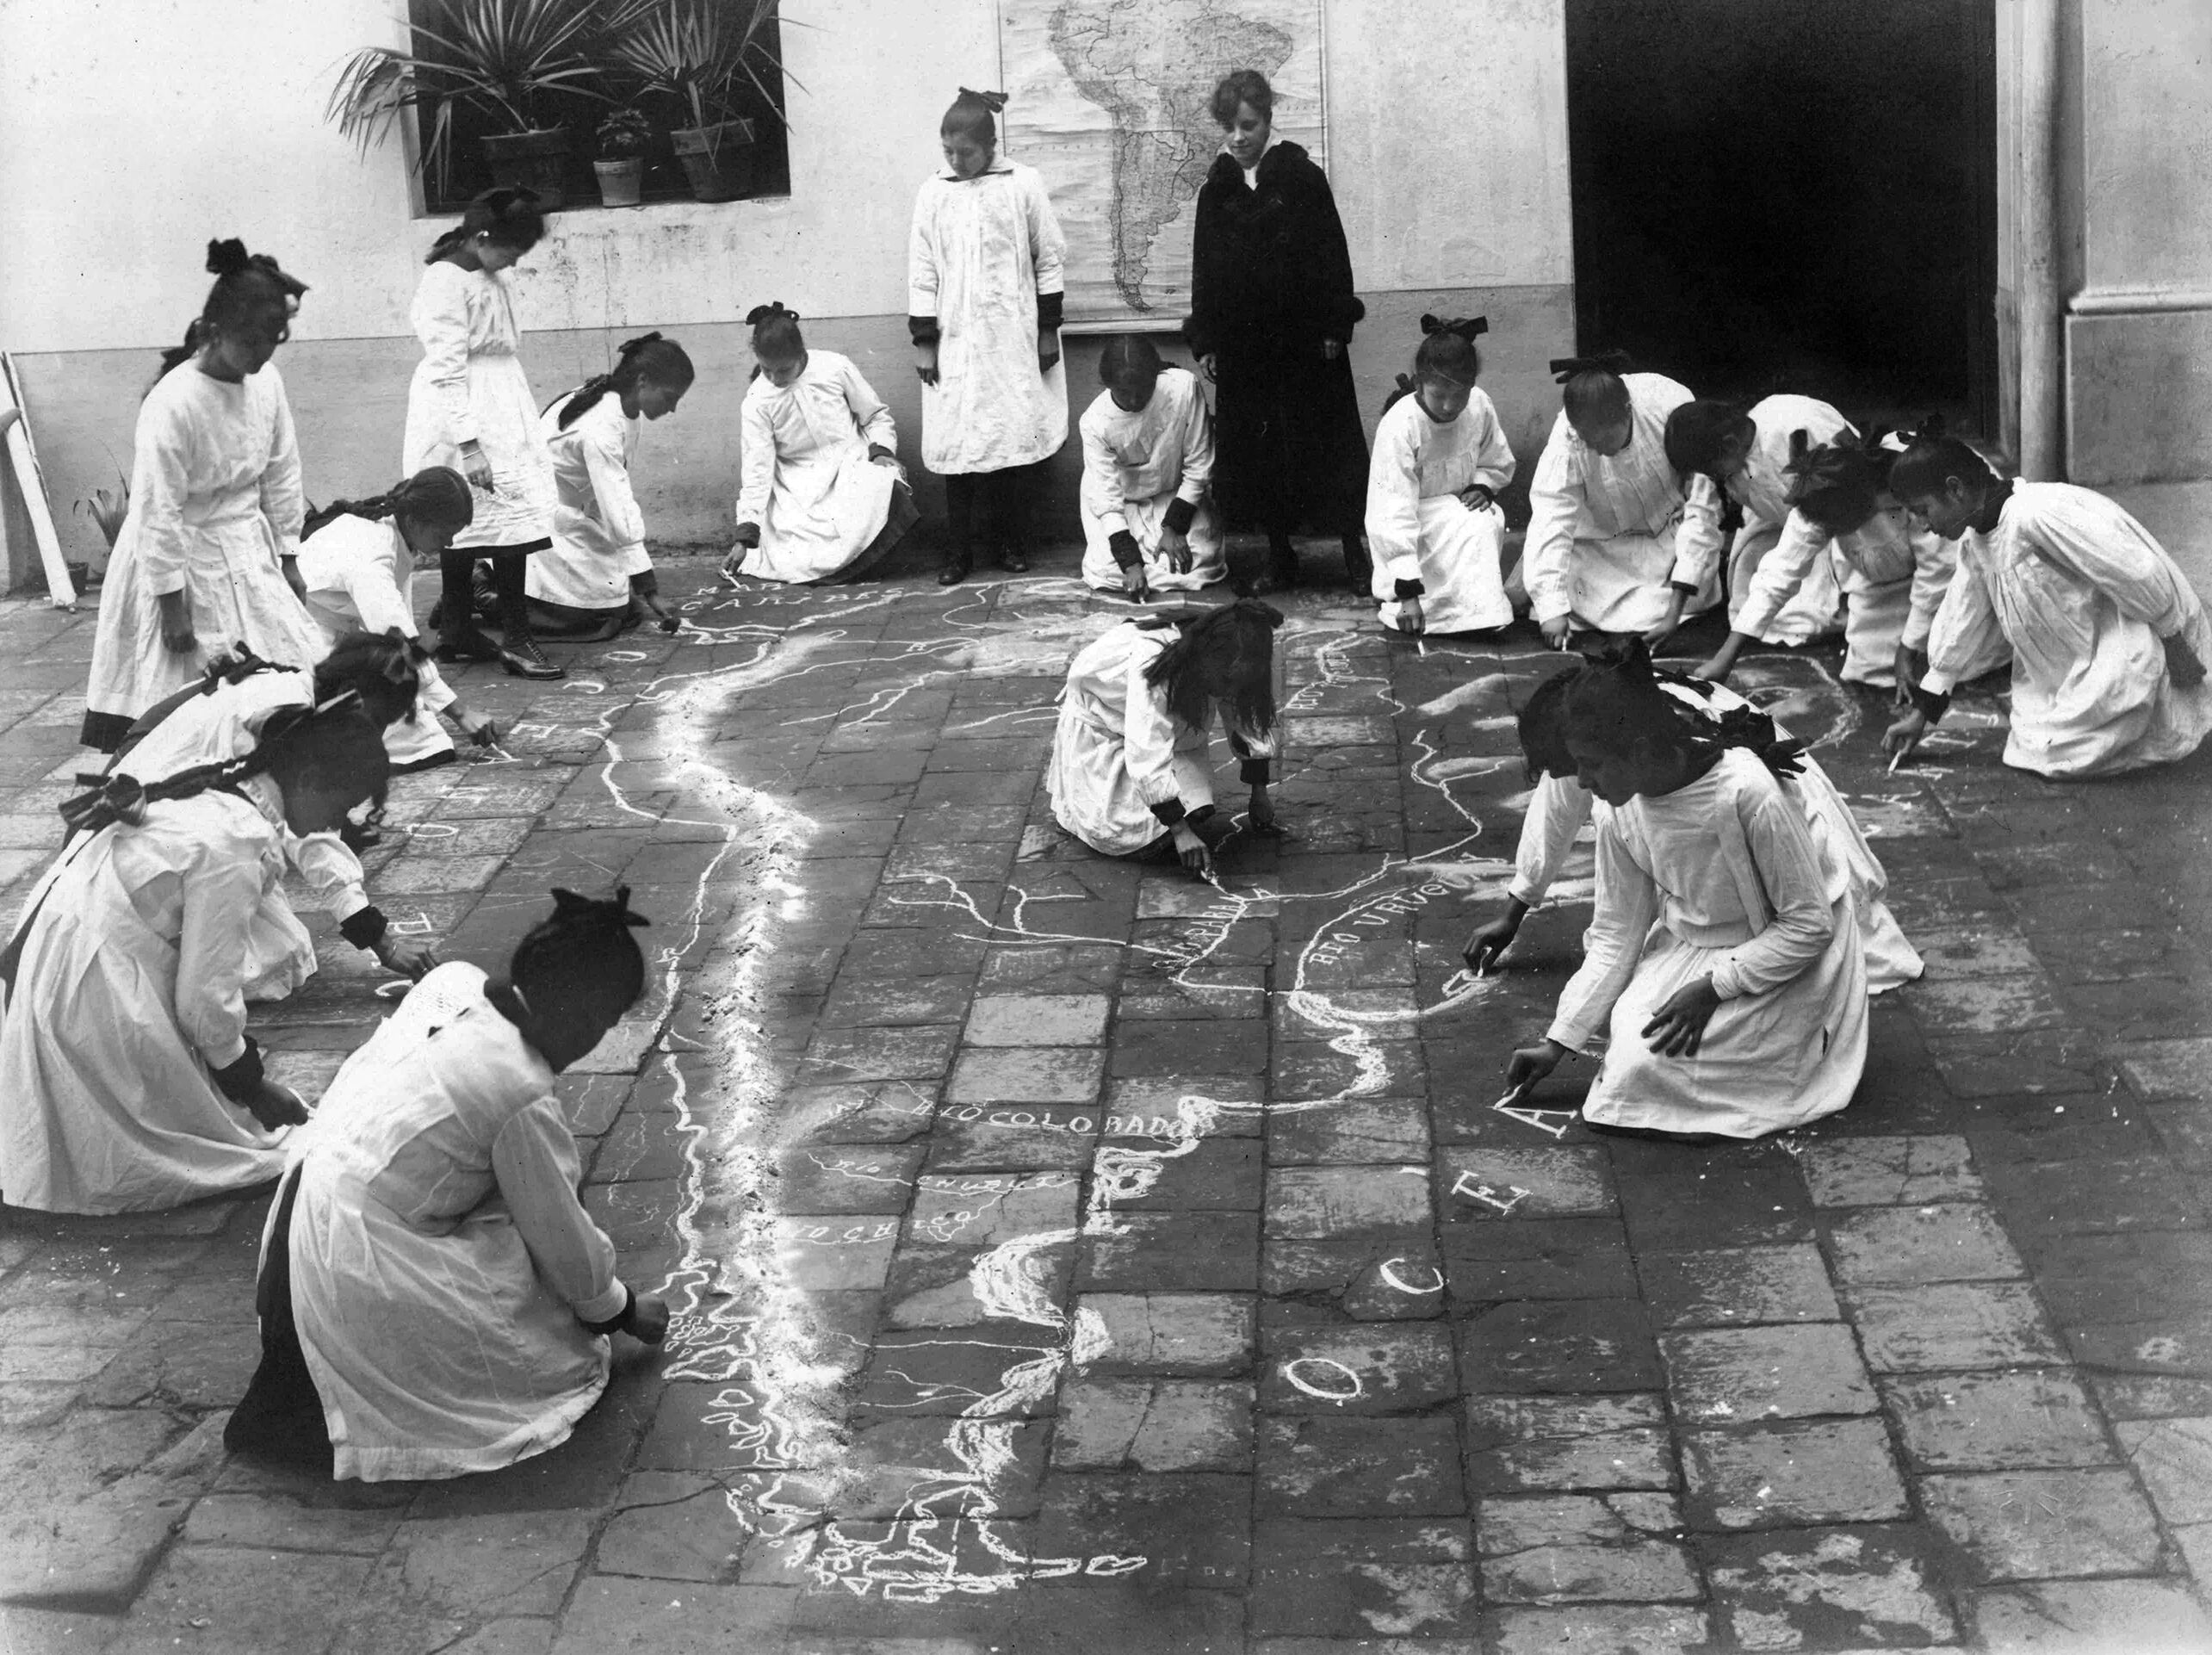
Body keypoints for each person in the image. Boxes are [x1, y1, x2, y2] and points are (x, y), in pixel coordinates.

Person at [224, 889, 671, 1481]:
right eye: (603, 1025)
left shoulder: (454, 983)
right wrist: (620, 1306)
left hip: (305, 1215)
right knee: (538, 1323)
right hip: (360, 1260)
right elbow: (559, 1232)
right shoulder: (519, 1092)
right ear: (586, 1020)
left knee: (498, 1203)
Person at [0, 702, 392, 1213]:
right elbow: (204, 999)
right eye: (340, 809)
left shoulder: (219, 791)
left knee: (213, 1099)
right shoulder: (234, 843)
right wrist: (252, 1084)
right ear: (312, 779)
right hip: (90, 989)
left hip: (53, 967)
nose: (337, 823)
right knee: (238, 1151)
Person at [1503, 648, 1868, 1142]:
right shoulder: (1617, 807)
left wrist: (1714, 987)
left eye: (1591, 767)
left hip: (1782, 950)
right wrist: (1560, 1038)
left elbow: (1809, 925)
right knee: (1633, 1061)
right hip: (1694, 947)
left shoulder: (1746, 792)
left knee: (1667, 1068)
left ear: (1638, 750)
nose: (1582, 783)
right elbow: (1615, 934)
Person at [1464, 655, 1921, 992]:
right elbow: (1556, 812)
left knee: (1834, 923)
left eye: (1579, 769)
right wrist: (1516, 909)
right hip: (1739, 879)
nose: (1578, 781)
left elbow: (1769, 806)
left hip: (1780, 804)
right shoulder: (1594, 729)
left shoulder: (1638, 736)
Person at [81, 239, 328, 752]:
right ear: (215, 333)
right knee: (191, 698)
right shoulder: (173, 402)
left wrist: (288, 555)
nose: (261, 355)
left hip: (244, 547)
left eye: (272, 343)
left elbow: (282, 472)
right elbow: (157, 509)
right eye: (251, 343)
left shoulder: (267, 384)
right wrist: (172, 605)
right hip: (179, 561)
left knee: (281, 678)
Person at [109, 634, 443, 991]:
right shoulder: (282, 714)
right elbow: (311, 836)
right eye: (375, 719)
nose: (372, 732)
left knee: (288, 953)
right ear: (349, 691)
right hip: (138, 821)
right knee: (251, 973)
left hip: (179, 812)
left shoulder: (296, 690)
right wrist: (382, 942)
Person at [1881, 427, 2212, 778]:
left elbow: (2133, 571)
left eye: (1922, 510)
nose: (1921, 524)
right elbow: (1961, 621)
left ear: (1955, 489)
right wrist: (1922, 712)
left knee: (2097, 734)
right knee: (2040, 747)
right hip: (2066, 664)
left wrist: (2175, 642)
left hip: (2131, 636)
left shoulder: (2039, 513)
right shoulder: (1977, 542)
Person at [1186, 68, 1369, 596]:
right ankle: (1279, 554)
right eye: (1230, 127)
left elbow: (1333, 257)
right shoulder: (1216, 191)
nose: (1239, 138)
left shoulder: (1301, 179)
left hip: (1307, 344)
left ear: (1268, 120)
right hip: (1248, 348)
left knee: (1327, 445)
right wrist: (1208, 340)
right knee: (1262, 454)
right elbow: (1205, 270)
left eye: (1249, 125)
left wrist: (1335, 325)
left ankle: (1353, 552)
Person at [1692, 429, 2011, 692]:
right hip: (1885, 581)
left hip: (1957, 570)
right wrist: (1726, 657)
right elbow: (1780, 570)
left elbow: (1938, 572)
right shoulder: (1823, 492)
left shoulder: (1915, 489)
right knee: (1870, 668)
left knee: (1952, 664)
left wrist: (1907, 648)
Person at [908, 89, 1068, 586]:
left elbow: (1049, 258)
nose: (957, 161)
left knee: (1008, 444)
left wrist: (1046, 333)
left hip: (1011, 337)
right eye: (948, 152)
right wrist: (925, 340)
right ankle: (959, 551)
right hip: (956, 341)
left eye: (966, 152)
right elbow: (922, 268)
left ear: (990, 145)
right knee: (961, 451)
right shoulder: (934, 193)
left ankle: (1011, 543)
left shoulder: (1022, 185)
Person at [406, 187, 563, 679]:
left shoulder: (489, 274)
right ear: (480, 238)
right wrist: (469, 444)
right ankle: (515, 638)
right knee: (487, 521)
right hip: (463, 405)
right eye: (511, 248)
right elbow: (447, 368)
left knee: (497, 521)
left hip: (502, 399)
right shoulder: (444, 283)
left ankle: (456, 628)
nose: (515, 259)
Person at [1047, 599, 1282, 876]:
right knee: (1132, 837)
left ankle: (1167, 815)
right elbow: (1146, 748)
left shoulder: (1230, 653)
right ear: (1208, 663)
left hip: (1161, 729)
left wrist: (1259, 793)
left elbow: (1245, 719)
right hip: (1107, 722)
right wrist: (1180, 831)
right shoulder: (1154, 666)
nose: (1230, 690)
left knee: (1197, 811)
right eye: (1227, 681)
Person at [298, 469, 502, 767]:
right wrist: (461, 712)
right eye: (444, 533)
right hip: (299, 627)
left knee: (409, 712)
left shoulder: (396, 535)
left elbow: (401, 628)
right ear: (414, 521)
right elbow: (401, 643)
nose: (448, 544)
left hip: (332, 627)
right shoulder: (372, 553)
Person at [1521, 352, 1719, 648]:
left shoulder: (1669, 405)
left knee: (1686, 586)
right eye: (1589, 442)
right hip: (1599, 545)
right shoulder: (1569, 435)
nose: (1597, 451)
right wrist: (1551, 609)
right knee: (1569, 588)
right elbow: (1552, 513)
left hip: (1667, 535)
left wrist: (1686, 575)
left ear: (1627, 412)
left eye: (1603, 440)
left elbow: (1702, 504)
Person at [727, 305, 917, 586]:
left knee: (883, 481)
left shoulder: (834, 367)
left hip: (849, 463)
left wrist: (880, 451)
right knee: (796, 549)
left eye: (784, 369)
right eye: (767, 370)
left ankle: (872, 563)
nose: (777, 379)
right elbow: (756, 469)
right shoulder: (758, 400)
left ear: (801, 353)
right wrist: (745, 535)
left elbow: (875, 415)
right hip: (798, 485)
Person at [529, 332, 695, 634]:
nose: (672, 409)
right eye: (670, 397)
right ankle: (488, 590)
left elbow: (610, 496)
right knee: (601, 612)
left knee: (615, 601)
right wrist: (650, 589)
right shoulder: (602, 424)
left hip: (569, 513)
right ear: (643, 381)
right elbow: (616, 503)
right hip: (540, 518)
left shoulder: (625, 409)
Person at [1365, 316, 1515, 637]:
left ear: (1472, 386)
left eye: (1459, 395)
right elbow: (1390, 510)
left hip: (1458, 509)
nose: (1449, 406)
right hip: (1413, 523)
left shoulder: (1479, 406)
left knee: (1486, 517)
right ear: (1420, 385)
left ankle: (1476, 613)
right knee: (1448, 527)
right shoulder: (1401, 425)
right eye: (1438, 394)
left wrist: (1484, 485)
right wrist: (1406, 590)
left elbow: (1496, 459)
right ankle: (1419, 606)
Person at [1666, 395, 1854, 652]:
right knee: (1751, 594)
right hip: (1783, 525)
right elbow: (1701, 521)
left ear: (1731, 444)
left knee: (1822, 609)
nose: (1713, 478)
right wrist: (1672, 616)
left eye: (1713, 472)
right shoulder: (1721, 455)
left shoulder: (1798, 432)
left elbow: (1811, 531)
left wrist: (1728, 653)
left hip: (1842, 518)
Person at [1076, 334, 1224, 600]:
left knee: (1199, 559)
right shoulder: (1095, 422)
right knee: (1108, 569)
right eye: (1124, 393)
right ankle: (1139, 567)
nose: (1134, 401)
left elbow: (1199, 465)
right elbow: (1106, 499)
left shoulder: (1183, 389)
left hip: (1174, 496)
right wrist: (1131, 565)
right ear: (1107, 385)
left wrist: (1173, 530)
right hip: (1122, 503)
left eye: (1142, 390)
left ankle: (1159, 558)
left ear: (1156, 377)